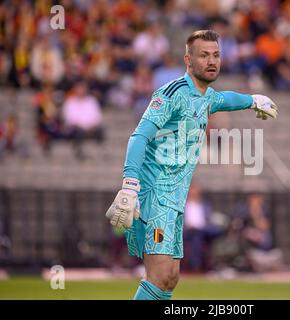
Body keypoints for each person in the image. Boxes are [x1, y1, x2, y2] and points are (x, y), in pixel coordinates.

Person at [105, 30, 278, 300]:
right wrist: (129, 185)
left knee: (170, 278)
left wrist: (253, 100)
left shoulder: (206, 97)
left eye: (216, 55)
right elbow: (139, 136)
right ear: (188, 60)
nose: (212, 61)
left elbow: (227, 99)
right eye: (204, 55)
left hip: (175, 200)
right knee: (159, 275)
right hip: (155, 195)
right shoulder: (171, 93)